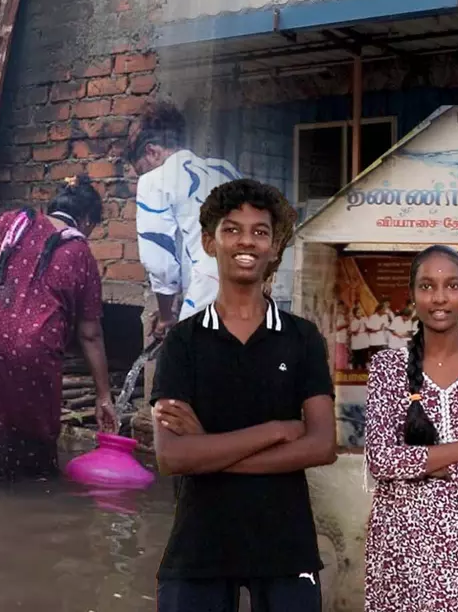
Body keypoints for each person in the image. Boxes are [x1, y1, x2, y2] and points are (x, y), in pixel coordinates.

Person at [148, 178, 336, 612]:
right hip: (199, 545)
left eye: (260, 231)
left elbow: (322, 445)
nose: (245, 241)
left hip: (285, 546)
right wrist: (277, 430)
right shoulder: (183, 342)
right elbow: (172, 458)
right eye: (231, 229)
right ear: (210, 242)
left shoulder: (302, 339)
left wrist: (208, 451)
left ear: (274, 247)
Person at [0, 176, 117, 482]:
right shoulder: (81, 253)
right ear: (86, 220)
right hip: (33, 346)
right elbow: (90, 333)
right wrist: (103, 395)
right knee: (32, 444)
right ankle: (26, 508)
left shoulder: (12, 219)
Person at [364, 245, 458, 612]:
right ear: (412, 295)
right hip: (401, 547)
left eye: (451, 285)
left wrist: (418, 463)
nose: (440, 297)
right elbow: (381, 460)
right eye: (427, 286)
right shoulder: (387, 367)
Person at [127, 102, 242, 335]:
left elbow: (159, 262)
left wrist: (166, 316)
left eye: (141, 169)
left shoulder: (155, 180)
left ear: (151, 151)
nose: (143, 175)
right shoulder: (225, 170)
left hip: (209, 300)